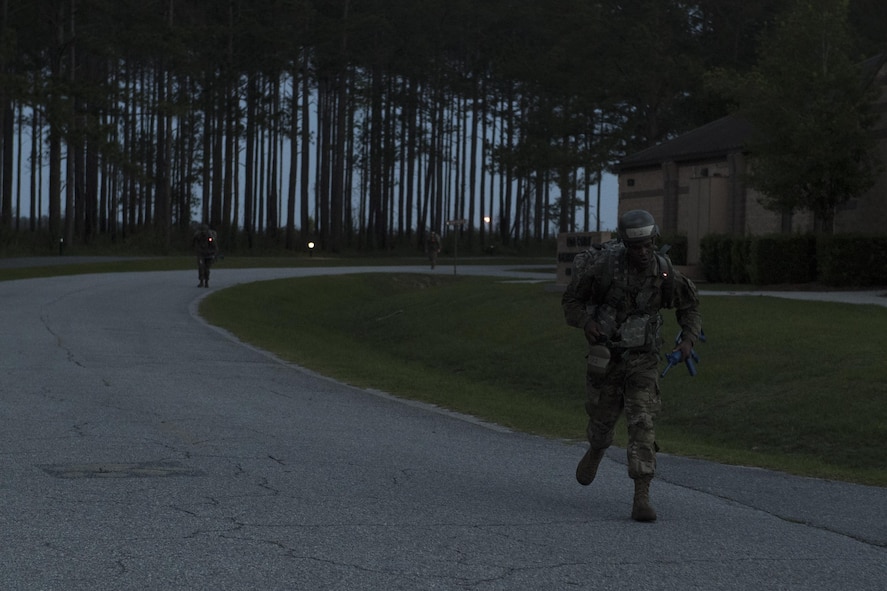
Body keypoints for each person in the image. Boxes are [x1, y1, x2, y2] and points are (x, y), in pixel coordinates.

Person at [561, 210, 702, 522]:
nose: (643, 252)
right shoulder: (603, 269)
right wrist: (586, 323)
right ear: (626, 245)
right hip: (607, 359)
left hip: (644, 360)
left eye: (648, 245)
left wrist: (688, 340)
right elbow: (571, 302)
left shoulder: (663, 272)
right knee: (601, 421)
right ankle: (597, 448)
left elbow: (690, 306)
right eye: (636, 247)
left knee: (642, 423)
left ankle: (642, 494)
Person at [192, 223, 219, 288]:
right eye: (202, 230)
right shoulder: (198, 236)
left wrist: (214, 255)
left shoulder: (210, 238)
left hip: (209, 255)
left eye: (205, 230)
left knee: (207, 269)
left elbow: (214, 246)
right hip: (201, 254)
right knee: (201, 267)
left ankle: (206, 281)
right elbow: (193, 243)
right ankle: (201, 281)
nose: (203, 232)